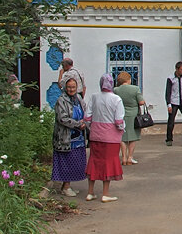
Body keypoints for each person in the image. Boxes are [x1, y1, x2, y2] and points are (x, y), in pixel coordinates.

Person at [84, 73, 126, 202]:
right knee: (108, 163)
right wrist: (122, 129)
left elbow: (87, 117)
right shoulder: (116, 99)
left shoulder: (94, 97)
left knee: (94, 161)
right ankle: (105, 193)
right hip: (111, 138)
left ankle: (90, 192)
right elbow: (119, 121)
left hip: (95, 136)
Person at [51, 77, 88, 197]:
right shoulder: (61, 100)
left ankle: (67, 186)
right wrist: (78, 124)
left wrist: (85, 122)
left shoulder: (78, 98)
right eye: (69, 87)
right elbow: (62, 119)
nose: (71, 89)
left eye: (73, 87)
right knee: (67, 163)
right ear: (65, 88)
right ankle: (65, 187)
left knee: (76, 163)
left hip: (78, 138)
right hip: (66, 138)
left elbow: (85, 111)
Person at [114, 71, 145, 165]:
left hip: (120, 115)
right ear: (128, 79)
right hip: (133, 115)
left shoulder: (116, 90)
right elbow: (141, 102)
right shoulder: (135, 89)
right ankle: (130, 158)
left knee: (122, 137)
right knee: (133, 137)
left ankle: (123, 157)